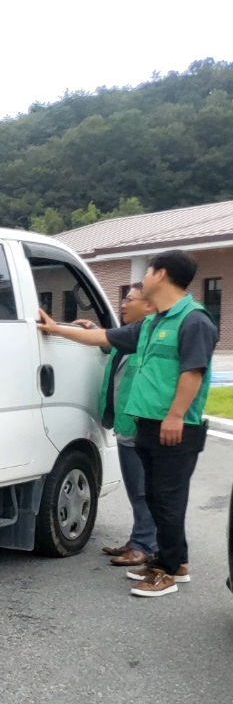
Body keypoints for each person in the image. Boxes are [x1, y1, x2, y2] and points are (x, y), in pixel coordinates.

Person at [37, 250, 218, 597]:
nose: (143, 278)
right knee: (156, 496)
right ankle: (175, 562)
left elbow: (193, 372)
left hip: (175, 427)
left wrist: (176, 415)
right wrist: (56, 328)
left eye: (148, 272)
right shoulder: (152, 324)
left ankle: (167, 571)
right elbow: (104, 338)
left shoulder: (194, 321)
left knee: (167, 499)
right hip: (148, 423)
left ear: (161, 275)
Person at [76, 284, 156, 567]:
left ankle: (145, 545)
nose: (123, 304)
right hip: (125, 423)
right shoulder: (132, 337)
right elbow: (110, 342)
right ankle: (139, 540)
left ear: (149, 306)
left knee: (144, 490)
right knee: (136, 490)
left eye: (131, 300)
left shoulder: (150, 340)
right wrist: (92, 329)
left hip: (138, 425)